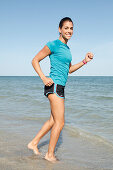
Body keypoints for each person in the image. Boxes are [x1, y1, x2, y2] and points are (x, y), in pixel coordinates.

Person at [27, 17, 93, 162]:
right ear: (60, 29)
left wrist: (84, 61)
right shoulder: (54, 44)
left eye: (71, 28)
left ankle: (33, 143)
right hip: (54, 85)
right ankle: (49, 155)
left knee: (53, 120)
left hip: (60, 86)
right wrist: (44, 78)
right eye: (66, 28)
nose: (69, 31)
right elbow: (35, 60)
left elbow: (69, 70)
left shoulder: (67, 50)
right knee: (60, 122)